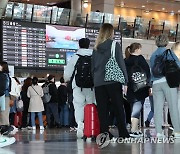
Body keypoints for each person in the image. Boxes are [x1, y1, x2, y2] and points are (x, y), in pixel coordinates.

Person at [91, 23, 129, 139]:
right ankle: (123, 132)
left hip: (98, 82)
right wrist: (125, 80)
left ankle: (104, 133)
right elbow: (120, 63)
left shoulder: (96, 48)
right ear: (111, 33)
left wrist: (95, 80)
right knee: (118, 107)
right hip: (112, 80)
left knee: (102, 109)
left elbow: (92, 68)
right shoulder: (114, 45)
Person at [150, 34, 180, 139]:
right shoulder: (169, 52)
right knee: (173, 107)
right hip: (168, 82)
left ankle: (158, 132)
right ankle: (177, 131)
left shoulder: (153, 55)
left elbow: (151, 70)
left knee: (158, 108)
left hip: (155, 83)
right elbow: (177, 65)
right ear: (166, 42)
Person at [64, 38, 95, 138]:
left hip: (77, 86)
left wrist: (67, 80)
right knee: (90, 106)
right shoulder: (93, 56)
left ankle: (80, 126)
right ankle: (90, 127)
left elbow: (67, 74)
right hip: (91, 86)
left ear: (79, 45)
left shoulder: (75, 57)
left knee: (78, 106)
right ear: (89, 45)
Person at [125, 43, 151, 137]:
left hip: (130, 87)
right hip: (140, 87)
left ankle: (135, 129)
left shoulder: (126, 60)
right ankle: (133, 130)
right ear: (136, 49)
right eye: (140, 48)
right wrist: (149, 85)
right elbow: (147, 72)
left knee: (134, 107)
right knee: (137, 108)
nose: (141, 50)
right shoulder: (140, 59)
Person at [0, 61, 16, 147]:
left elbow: (3, 88)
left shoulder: (4, 76)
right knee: (4, 114)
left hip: (4, 96)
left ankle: (3, 133)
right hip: (4, 97)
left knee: (4, 114)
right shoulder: (7, 76)